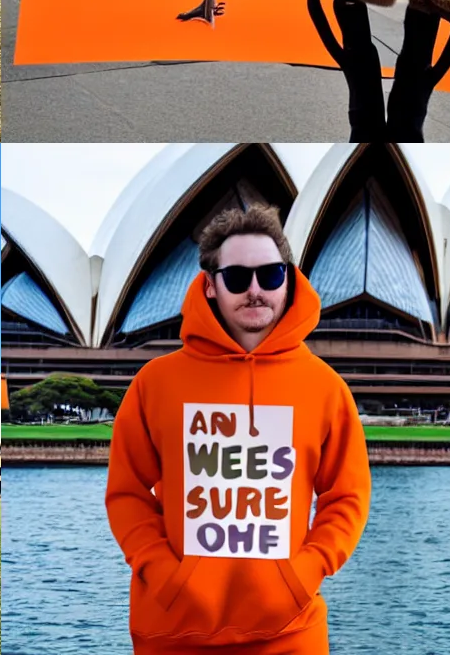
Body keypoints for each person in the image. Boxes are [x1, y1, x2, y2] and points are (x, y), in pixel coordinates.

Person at [106, 204, 370, 654]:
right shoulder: (155, 382)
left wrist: (304, 572)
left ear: (288, 279)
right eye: (236, 278)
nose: (255, 290)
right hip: (173, 630)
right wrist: (166, 575)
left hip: (290, 631)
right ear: (209, 285)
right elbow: (127, 494)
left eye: (270, 275)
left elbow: (347, 497)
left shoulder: (325, 387)